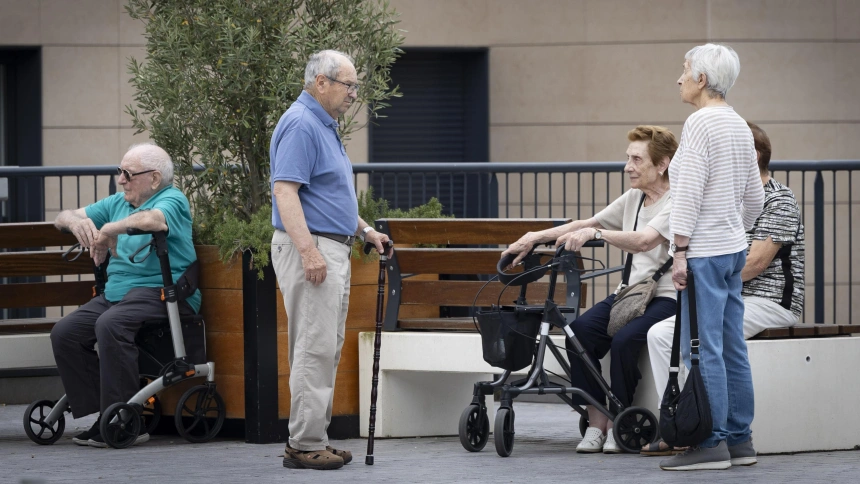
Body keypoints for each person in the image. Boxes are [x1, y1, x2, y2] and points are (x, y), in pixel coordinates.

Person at [502, 125, 678, 454]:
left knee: (626, 341)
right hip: (631, 294)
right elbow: (586, 224)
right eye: (628, 159)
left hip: (667, 297)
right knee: (577, 332)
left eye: (637, 160)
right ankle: (596, 421)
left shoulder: (678, 199)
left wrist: (597, 236)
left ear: (662, 164)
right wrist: (533, 237)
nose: (628, 166)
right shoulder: (634, 199)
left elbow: (644, 241)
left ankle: (618, 420)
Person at [643, 122, 804, 456]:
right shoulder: (732, 198)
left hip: (770, 301)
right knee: (661, 334)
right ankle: (683, 421)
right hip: (729, 293)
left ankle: (709, 435)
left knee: (709, 343)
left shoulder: (780, 199)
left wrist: (706, 276)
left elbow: (755, 263)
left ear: (752, 155)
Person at [270, 49, 389, 471]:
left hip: (331, 244)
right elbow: (285, 192)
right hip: (313, 247)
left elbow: (327, 196)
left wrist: (365, 231)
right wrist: (308, 251)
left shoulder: (324, 125)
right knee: (313, 347)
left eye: (355, 86)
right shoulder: (303, 124)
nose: (354, 94)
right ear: (321, 82)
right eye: (348, 85)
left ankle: (313, 437)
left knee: (325, 347)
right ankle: (303, 444)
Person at [51, 142, 200, 448]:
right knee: (64, 333)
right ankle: (106, 414)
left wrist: (109, 230)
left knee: (110, 323)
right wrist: (77, 222)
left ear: (154, 178)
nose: (121, 180)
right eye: (120, 172)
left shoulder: (172, 199)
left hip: (163, 293)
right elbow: (61, 216)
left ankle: (125, 419)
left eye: (128, 174)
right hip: (117, 295)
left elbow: (152, 221)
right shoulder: (118, 202)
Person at [658, 44, 765, 471]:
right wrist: (729, 226)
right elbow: (755, 198)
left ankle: (712, 443)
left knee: (701, 351)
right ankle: (740, 441)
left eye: (684, 70)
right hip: (732, 249)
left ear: (702, 79)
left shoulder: (700, 123)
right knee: (732, 346)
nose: (679, 78)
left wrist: (681, 251)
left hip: (702, 253)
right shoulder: (739, 124)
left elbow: (687, 194)